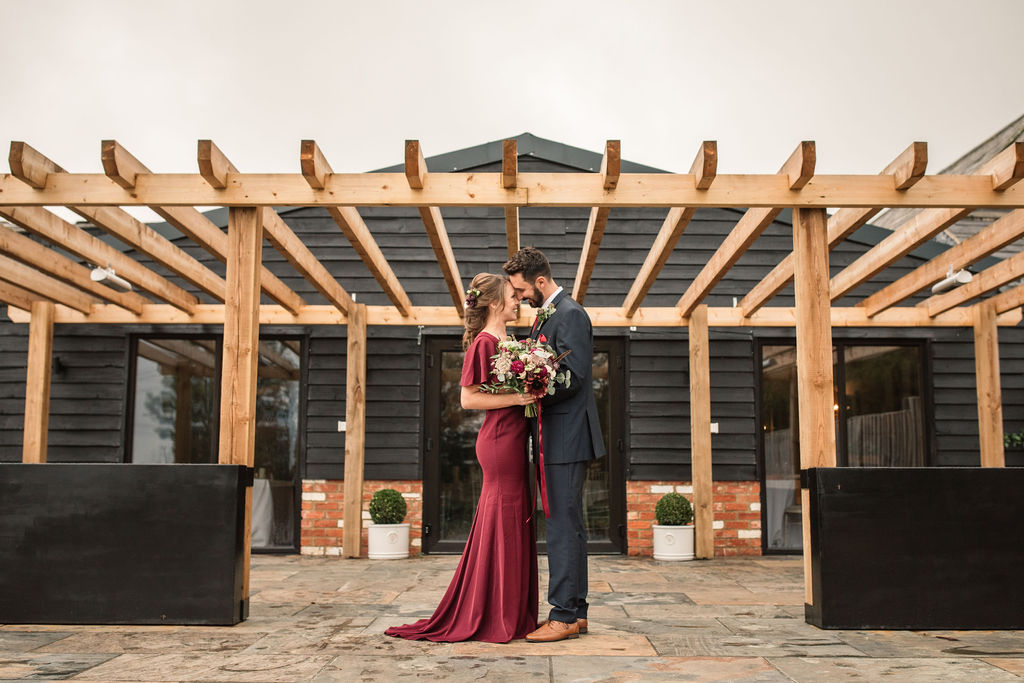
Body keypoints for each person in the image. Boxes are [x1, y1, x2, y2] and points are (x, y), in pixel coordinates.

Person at [385, 273, 538, 643]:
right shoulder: (484, 344)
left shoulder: (510, 340)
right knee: (505, 518)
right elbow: (468, 399)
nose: (518, 301)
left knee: (514, 519)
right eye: (512, 296)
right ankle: (496, 613)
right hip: (500, 441)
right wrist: (519, 399)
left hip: (515, 438)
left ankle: (511, 610)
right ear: (494, 303)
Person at [503, 247, 606, 643]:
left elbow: (575, 376)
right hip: (557, 436)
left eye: (521, 289)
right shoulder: (549, 316)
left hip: (566, 437)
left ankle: (562, 616)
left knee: (562, 528)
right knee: (569, 526)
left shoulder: (571, 314)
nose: (520, 296)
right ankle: (576, 612)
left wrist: (530, 387)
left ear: (540, 282)